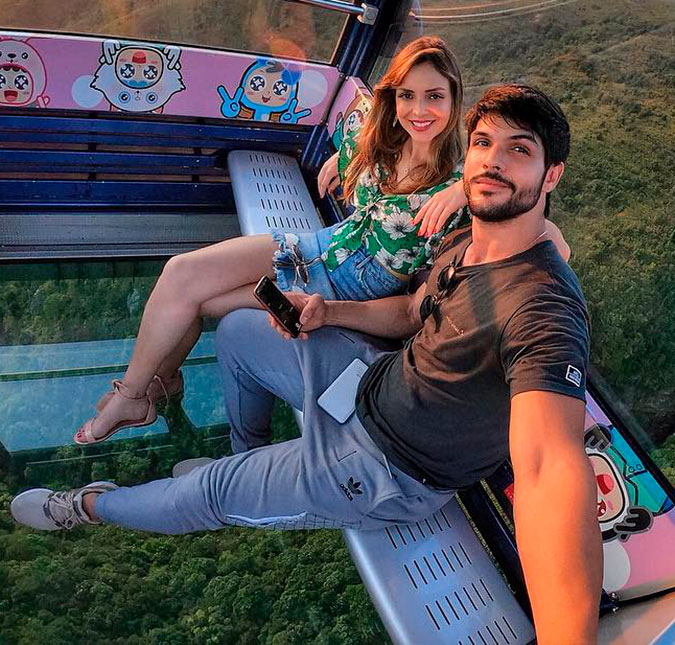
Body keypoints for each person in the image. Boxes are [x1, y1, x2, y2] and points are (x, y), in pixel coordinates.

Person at [11, 84, 601, 641]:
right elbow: (408, 312)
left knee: (205, 495)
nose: (493, 161)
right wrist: (327, 313)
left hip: (386, 469)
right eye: (483, 143)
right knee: (240, 331)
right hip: (369, 384)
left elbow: (549, 467)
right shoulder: (468, 241)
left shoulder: (543, 306)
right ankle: (248, 457)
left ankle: (87, 505)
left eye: (518, 150)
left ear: (552, 175)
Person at [73, 36, 471, 445]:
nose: (419, 111)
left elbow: (511, 187)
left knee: (199, 302)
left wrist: (465, 189)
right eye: (407, 95)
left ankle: (153, 388)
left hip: (345, 288)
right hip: (319, 247)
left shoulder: (460, 186)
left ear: (454, 98)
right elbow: (363, 142)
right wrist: (345, 158)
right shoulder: (387, 140)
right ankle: (141, 391)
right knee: (181, 273)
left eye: (434, 96)